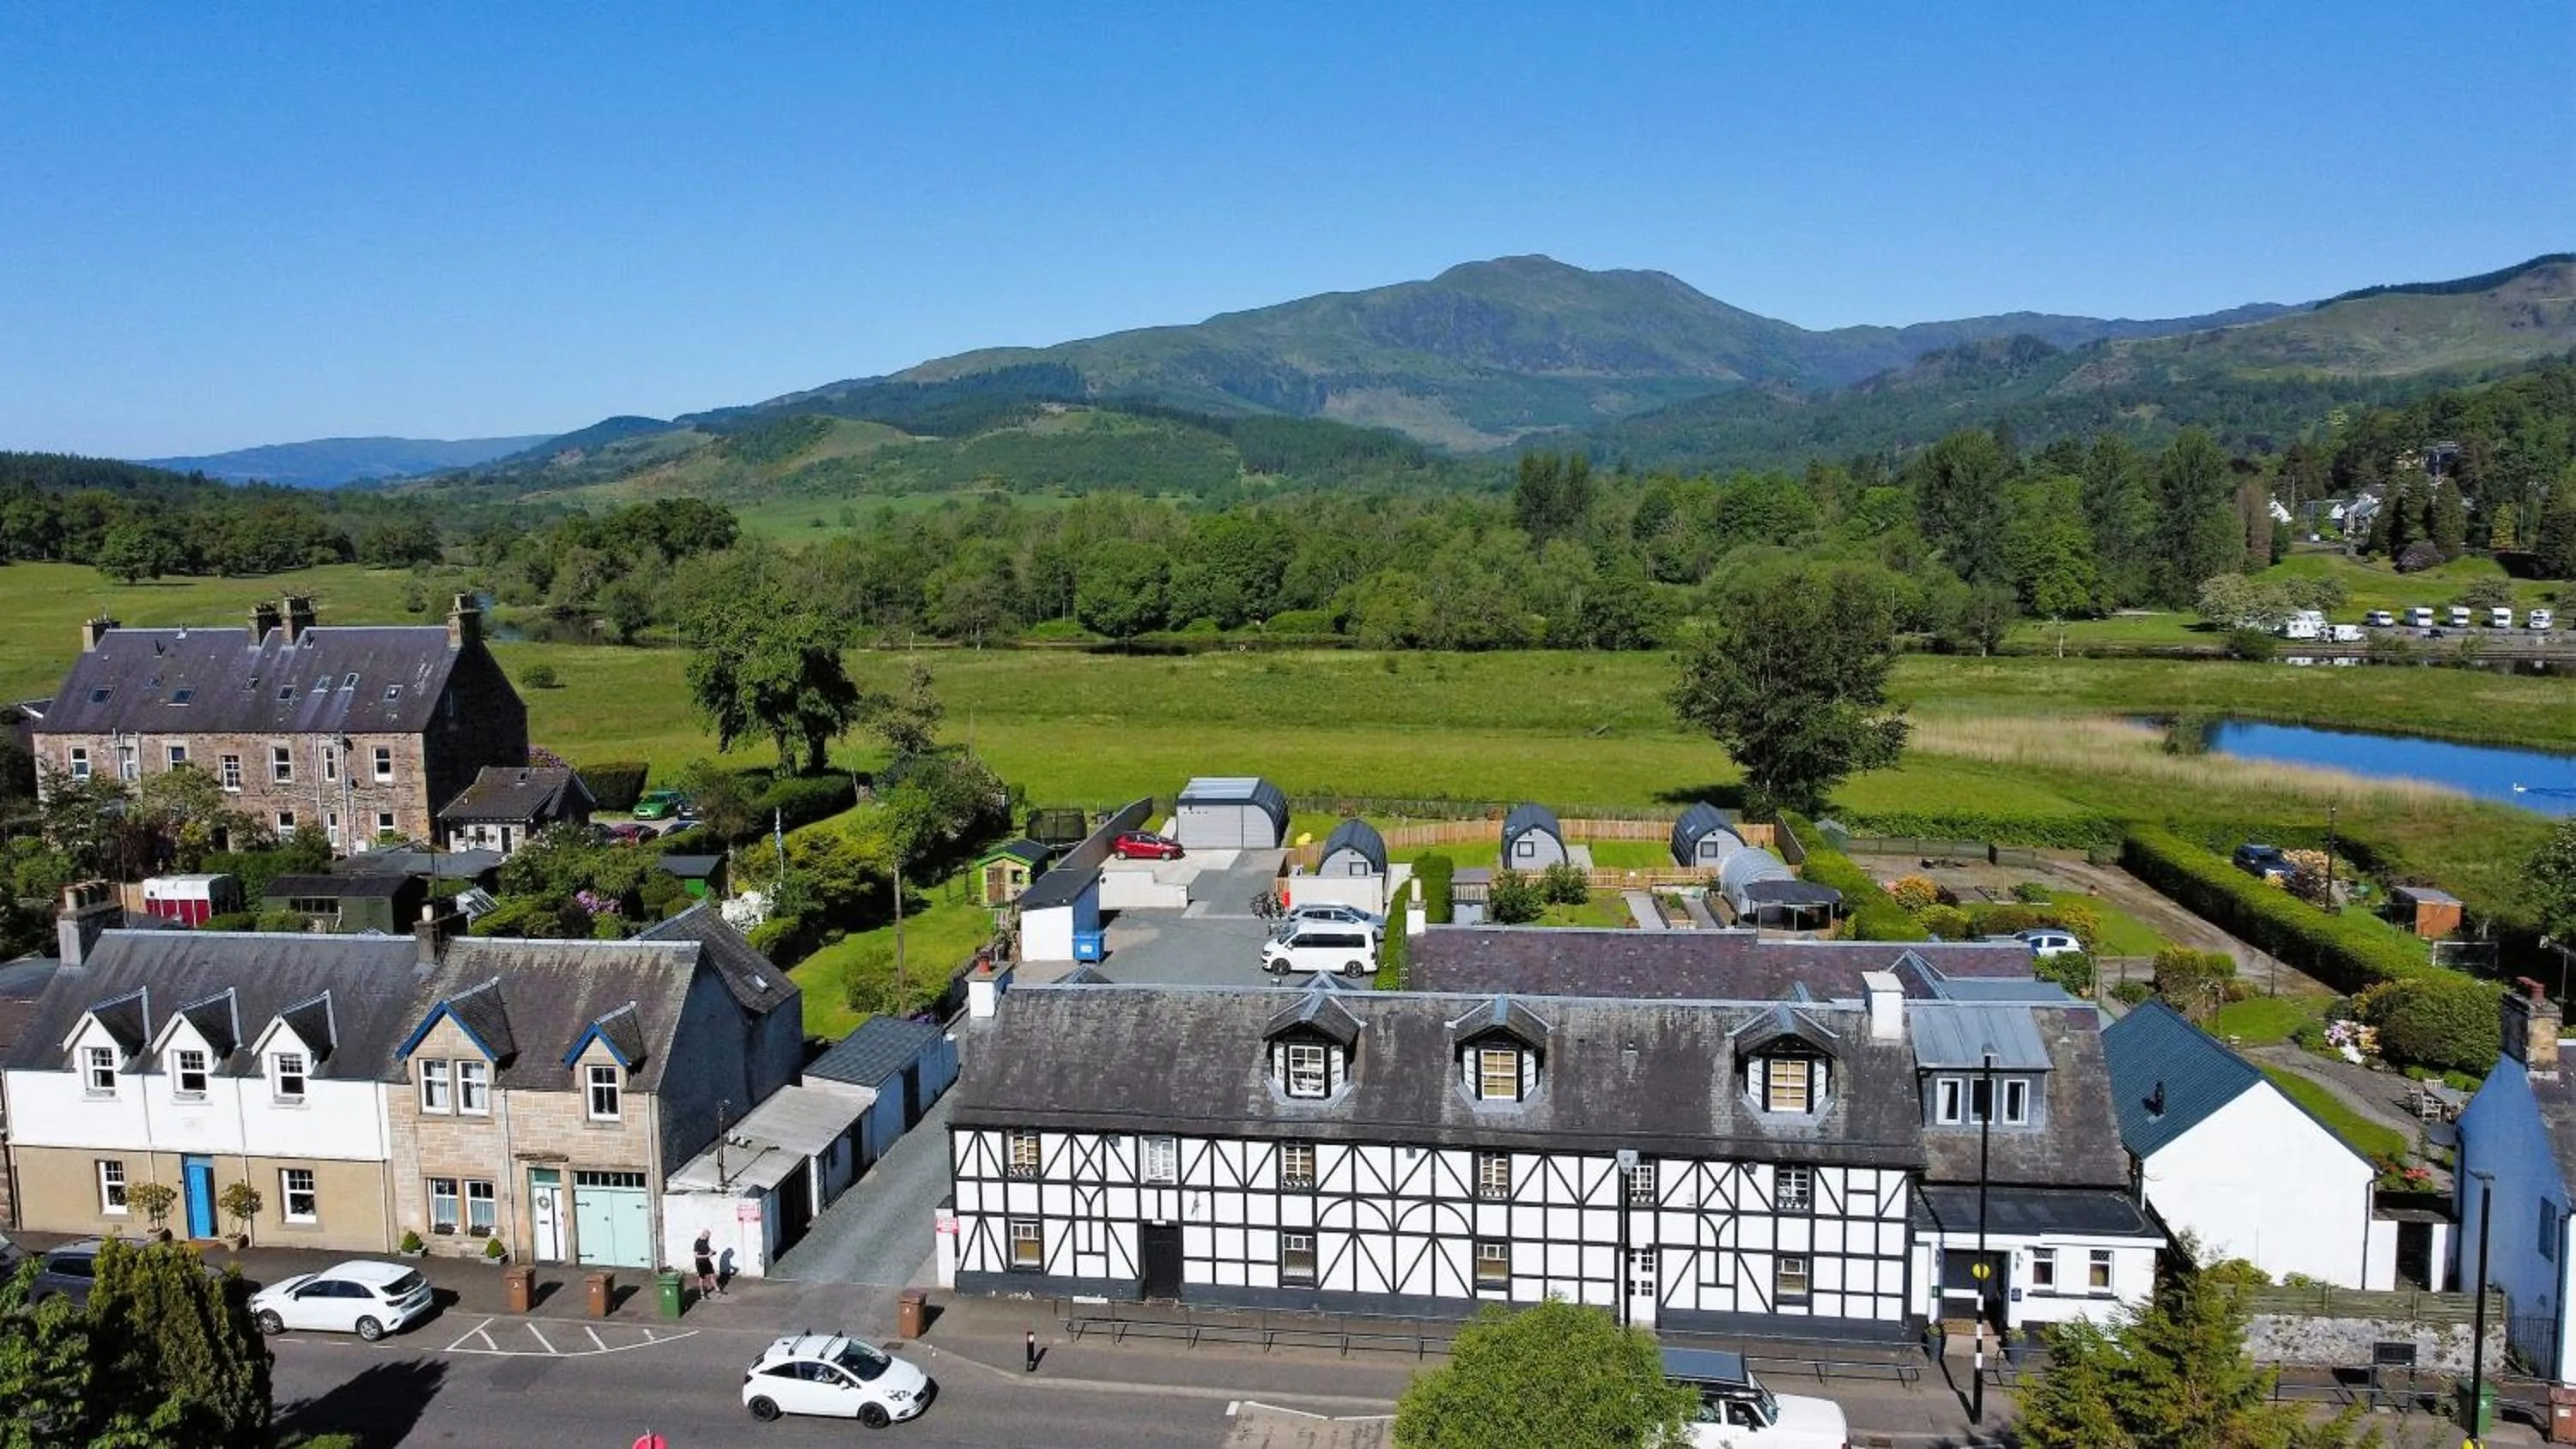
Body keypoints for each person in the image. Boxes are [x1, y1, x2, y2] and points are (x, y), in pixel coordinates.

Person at [693, 1230, 721, 1300]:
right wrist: (707, 1256)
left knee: (712, 1275)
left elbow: (708, 1249)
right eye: (708, 1237)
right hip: (700, 1263)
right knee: (702, 1278)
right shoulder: (697, 1243)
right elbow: (695, 1255)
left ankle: (717, 1290)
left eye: (709, 1237)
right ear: (704, 1235)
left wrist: (712, 1252)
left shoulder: (706, 1241)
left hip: (707, 1262)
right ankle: (702, 1294)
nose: (709, 1238)